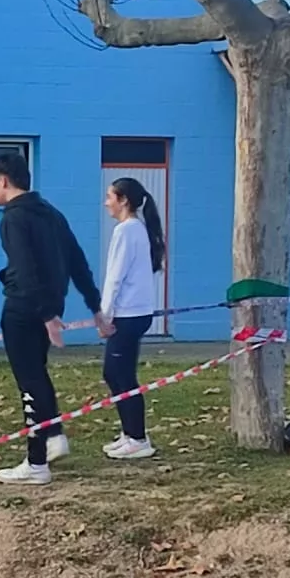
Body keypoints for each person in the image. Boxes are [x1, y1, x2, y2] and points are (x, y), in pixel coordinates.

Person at [0, 155, 100, 486]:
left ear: (4, 180)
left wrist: (46, 314)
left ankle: (36, 462)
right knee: (38, 373)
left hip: (23, 309)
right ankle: (53, 436)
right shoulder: (51, 213)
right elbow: (77, 261)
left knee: (29, 382)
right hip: (47, 304)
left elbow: (25, 268)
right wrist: (95, 305)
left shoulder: (13, 218)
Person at [96, 177, 166, 460]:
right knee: (116, 373)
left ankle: (137, 438)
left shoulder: (126, 230)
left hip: (128, 315)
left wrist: (104, 315)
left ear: (123, 200)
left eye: (110, 197)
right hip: (135, 313)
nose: (106, 203)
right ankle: (130, 433)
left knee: (119, 374)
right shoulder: (136, 229)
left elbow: (115, 277)